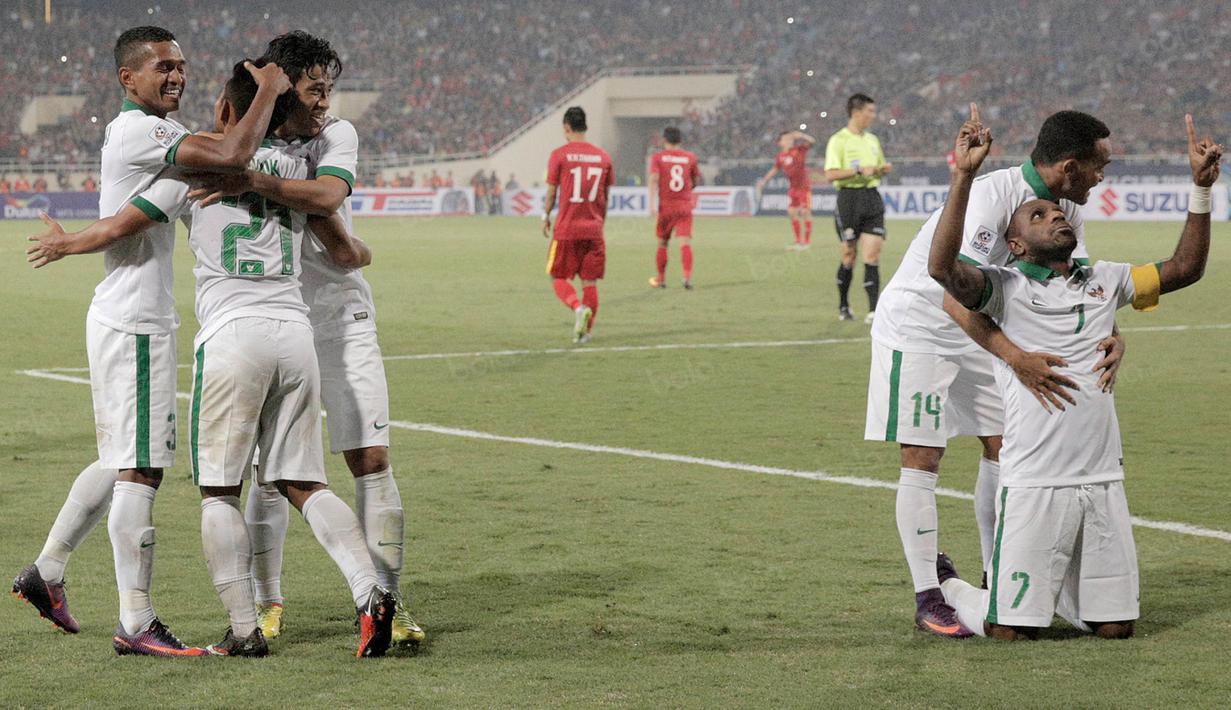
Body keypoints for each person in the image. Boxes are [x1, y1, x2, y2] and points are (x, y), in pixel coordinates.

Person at [14, 25, 291, 657]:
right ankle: (136, 622)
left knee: (121, 458)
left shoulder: (149, 138)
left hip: (131, 318)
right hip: (134, 321)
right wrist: (268, 92)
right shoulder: (146, 130)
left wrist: (74, 241)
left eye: (182, 66)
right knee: (141, 468)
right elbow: (226, 158)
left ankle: (47, 570)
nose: (177, 75)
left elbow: (137, 216)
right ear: (128, 78)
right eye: (163, 66)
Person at [928, 109, 1219, 640]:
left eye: (1054, 213)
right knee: (1009, 634)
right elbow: (944, 273)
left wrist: (1200, 190)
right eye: (1036, 217)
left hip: (1101, 478)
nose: (1055, 217)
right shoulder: (1004, 288)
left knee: (1116, 629)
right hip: (1035, 480)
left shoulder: (1105, 280)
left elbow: (1186, 268)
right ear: (1013, 246)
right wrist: (962, 177)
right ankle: (952, 591)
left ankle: (1052, 590)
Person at [186, 30, 424, 648]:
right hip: (288, 318)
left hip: (336, 318)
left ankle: (388, 605)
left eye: (328, 90)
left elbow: (327, 197)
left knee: (367, 459)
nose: (325, 102)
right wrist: (354, 246)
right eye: (314, 89)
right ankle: (270, 605)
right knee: (275, 473)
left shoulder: (331, 137)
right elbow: (343, 244)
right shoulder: (256, 147)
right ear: (283, 87)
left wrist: (248, 179)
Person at [864, 106, 1126, 638]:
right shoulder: (991, 197)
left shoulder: (1066, 212)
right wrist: (1014, 357)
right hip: (923, 326)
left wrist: (1113, 334)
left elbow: (1079, 282)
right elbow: (953, 297)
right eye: (1099, 166)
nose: (1104, 177)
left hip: (986, 330)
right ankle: (929, 596)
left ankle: (997, 576)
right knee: (923, 454)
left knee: (1003, 446)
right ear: (1070, 167)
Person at [542, 106, 613, 344]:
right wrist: (600, 221)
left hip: (567, 229)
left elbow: (552, 191)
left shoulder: (559, 155)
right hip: (593, 229)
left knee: (557, 277)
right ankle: (586, 334)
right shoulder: (603, 157)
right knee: (589, 283)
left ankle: (577, 308)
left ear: (566, 128)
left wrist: (546, 216)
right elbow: (605, 195)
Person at [825, 93, 891, 322]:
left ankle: (874, 310)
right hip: (848, 199)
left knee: (872, 253)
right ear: (856, 113)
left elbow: (878, 166)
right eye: (869, 112)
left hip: (871, 197)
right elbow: (830, 174)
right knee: (849, 254)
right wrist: (859, 171)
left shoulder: (872, 140)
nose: (873, 116)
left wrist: (882, 169)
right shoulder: (838, 140)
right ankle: (844, 305)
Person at [647, 126, 701, 289]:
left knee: (663, 243)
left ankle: (661, 279)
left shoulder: (658, 157)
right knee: (685, 243)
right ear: (680, 140)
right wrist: (687, 193)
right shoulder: (690, 157)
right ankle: (686, 277)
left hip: (666, 206)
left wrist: (650, 204)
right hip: (684, 206)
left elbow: (654, 179)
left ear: (664, 140)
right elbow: (695, 180)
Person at [757, 129, 816, 249]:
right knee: (792, 213)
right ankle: (798, 241)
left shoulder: (799, 150)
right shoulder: (781, 156)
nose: (789, 140)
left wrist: (801, 135)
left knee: (805, 212)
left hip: (804, 187)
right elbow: (774, 169)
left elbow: (812, 141)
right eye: (786, 139)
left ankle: (807, 242)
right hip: (793, 188)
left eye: (790, 138)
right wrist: (764, 181)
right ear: (780, 142)